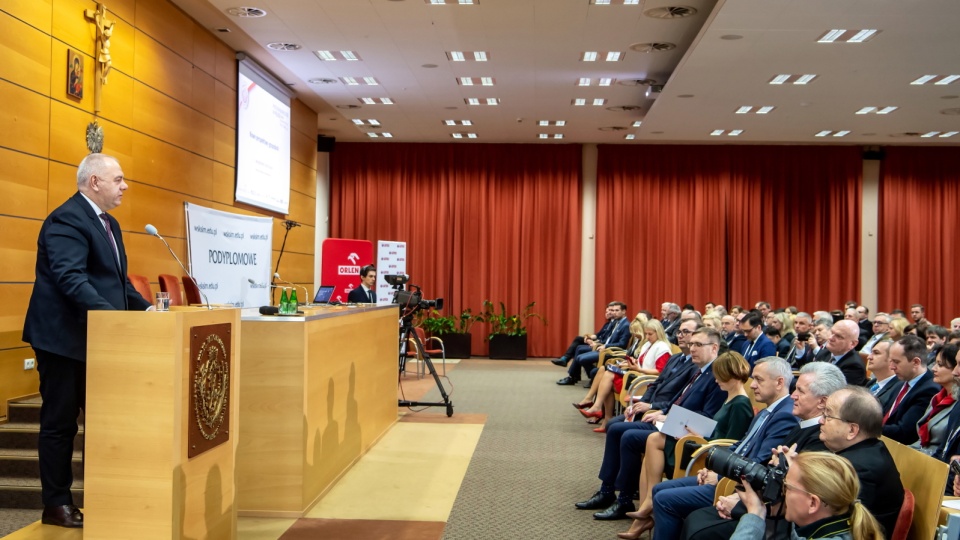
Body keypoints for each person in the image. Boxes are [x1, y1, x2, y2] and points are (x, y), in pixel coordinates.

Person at [23, 153, 153, 528]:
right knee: (61, 423)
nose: (125, 186)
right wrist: (115, 320)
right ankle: (57, 504)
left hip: (97, 340)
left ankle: (108, 493)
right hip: (63, 340)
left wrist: (145, 311)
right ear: (94, 181)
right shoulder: (67, 219)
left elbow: (117, 283)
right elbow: (71, 280)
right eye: (119, 179)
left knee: (107, 420)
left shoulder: (109, 224)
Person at [676, 362, 846, 540]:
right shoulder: (801, 426)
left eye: (801, 391)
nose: (793, 395)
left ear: (822, 402)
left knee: (698, 527)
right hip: (762, 502)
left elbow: (793, 492)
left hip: (779, 518)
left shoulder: (820, 439)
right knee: (694, 519)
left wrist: (743, 504)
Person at [575, 326, 725, 521]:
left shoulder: (715, 375)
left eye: (698, 344)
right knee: (616, 427)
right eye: (692, 343)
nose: (692, 347)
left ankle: (624, 499)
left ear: (714, 348)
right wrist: (660, 410)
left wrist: (665, 415)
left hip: (685, 434)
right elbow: (672, 396)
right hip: (668, 420)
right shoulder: (700, 371)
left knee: (627, 435)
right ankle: (609, 490)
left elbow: (707, 417)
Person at [645, 357, 799, 540]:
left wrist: (718, 476)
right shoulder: (768, 410)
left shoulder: (784, 416)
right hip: (728, 474)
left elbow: (759, 461)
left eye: (759, 379)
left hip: (735, 484)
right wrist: (711, 468)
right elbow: (740, 445)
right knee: (658, 490)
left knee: (664, 499)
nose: (752, 385)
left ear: (779, 382)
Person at [615, 351, 754, 539]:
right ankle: (645, 508)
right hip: (705, 445)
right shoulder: (730, 397)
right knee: (653, 443)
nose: (715, 380)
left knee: (654, 441)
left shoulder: (740, 404)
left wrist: (703, 440)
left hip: (707, 453)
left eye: (720, 376)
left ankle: (646, 509)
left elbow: (731, 445)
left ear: (733, 375)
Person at [731, 452, 884, 540]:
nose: (782, 492)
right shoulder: (841, 522)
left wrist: (754, 515)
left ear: (812, 503)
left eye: (787, 487)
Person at [579, 319, 672, 431]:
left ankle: (598, 408)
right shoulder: (649, 344)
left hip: (646, 383)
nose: (647, 337)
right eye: (646, 333)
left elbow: (660, 372)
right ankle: (602, 413)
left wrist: (638, 368)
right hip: (638, 376)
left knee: (608, 376)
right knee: (606, 375)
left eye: (650, 334)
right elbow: (644, 362)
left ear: (658, 332)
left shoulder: (662, 347)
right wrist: (633, 362)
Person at [883, 334, 940, 444]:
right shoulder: (901, 382)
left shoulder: (929, 390)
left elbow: (904, 432)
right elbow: (884, 414)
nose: (891, 367)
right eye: (890, 361)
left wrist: (868, 427)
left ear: (916, 362)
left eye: (896, 362)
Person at [558, 302, 630, 385]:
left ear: (624, 311)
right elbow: (604, 336)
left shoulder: (625, 325)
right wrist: (597, 343)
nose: (613, 313)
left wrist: (604, 345)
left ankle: (593, 377)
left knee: (581, 358)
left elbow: (622, 344)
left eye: (617, 310)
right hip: (603, 348)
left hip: (610, 352)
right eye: (613, 310)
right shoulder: (617, 322)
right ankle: (582, 377)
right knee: (579, 353)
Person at [911, 343, 959, 455]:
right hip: (922, 453)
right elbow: (921, 440)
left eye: (940, 365)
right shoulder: (937, 397)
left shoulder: (957, 402)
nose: (933, 369)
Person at [864, 340, 902, 413]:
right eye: (871, 352)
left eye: (876, 353)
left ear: (891, 359)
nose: (869, 357)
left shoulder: (898, 388)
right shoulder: (872, 383)